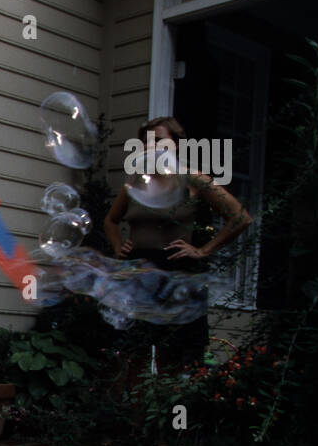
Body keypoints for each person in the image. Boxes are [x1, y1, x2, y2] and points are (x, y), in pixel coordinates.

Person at [103, 116, 253, 361]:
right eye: (146, 142)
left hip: (177, 273)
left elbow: (240, 217)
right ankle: (134, 400)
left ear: (177, 145)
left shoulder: (192, 179)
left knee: (175, 357)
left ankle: (171, 401)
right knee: (132, 355)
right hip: (138, 273)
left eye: (159, 140)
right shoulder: (135, 183)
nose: (151, 146)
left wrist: (203, 250)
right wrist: (119, 245)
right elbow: (110, 221)